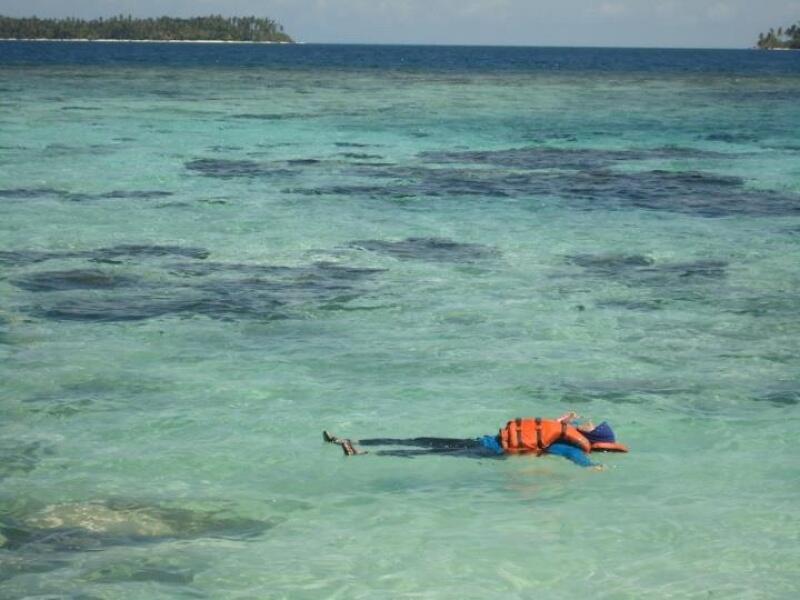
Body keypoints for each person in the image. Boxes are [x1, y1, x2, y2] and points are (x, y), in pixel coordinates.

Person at [323, 412, 628, 468]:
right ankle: (361, 450)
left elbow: (570, 447)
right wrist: (591, 467)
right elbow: (573, 455)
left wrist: (587, 463)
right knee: (429, 452)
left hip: (485, 441)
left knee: (423, 442)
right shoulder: (563, 441)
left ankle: (355, 441)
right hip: (486, 451)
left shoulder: (559, 433)